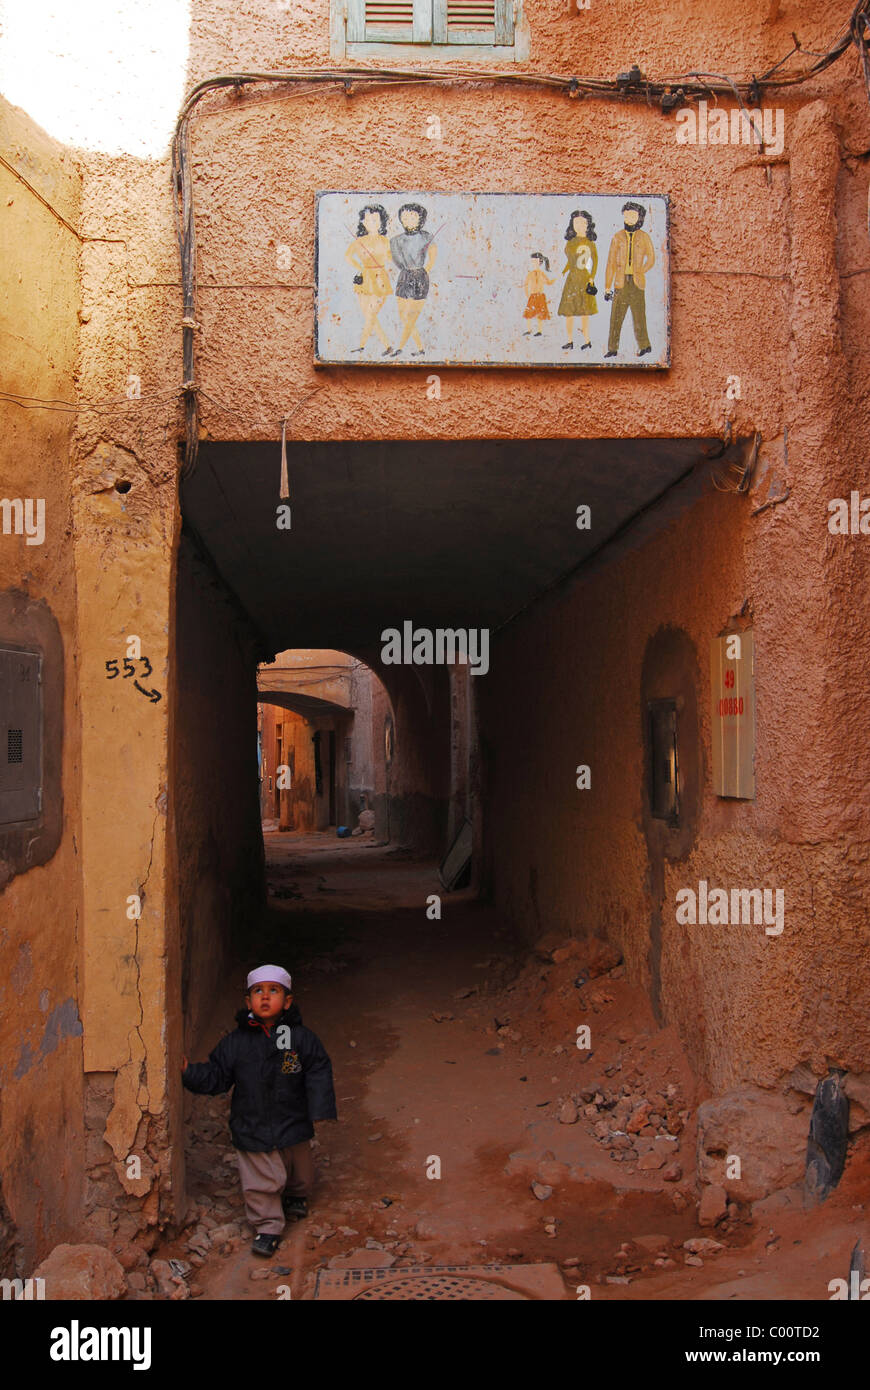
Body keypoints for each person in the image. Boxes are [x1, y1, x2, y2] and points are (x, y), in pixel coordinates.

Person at [181, 964, 336, 1257]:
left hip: (293, 1118)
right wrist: (189, 1072)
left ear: (287, 1001)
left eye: (273, 991)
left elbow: (317, 1069)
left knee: (299, 1169)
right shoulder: (236, 1043)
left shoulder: (299, 1038)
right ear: (248, 1001)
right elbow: (217, 1075)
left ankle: (296, 1196)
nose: (265, 997)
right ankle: (268, 1226)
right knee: (261, 1181)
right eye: (257, 991)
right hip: (252, 1122)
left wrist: (319, 1106)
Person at [603, 201, 655, 358]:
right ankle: (612, 348)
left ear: (639, 217)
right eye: (627, 214)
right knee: (616, 317)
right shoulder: (617, 237)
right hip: (620, 282)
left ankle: (645, 346)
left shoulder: (644, 237)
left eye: (633, 215)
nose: (629, 217)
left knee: (639, 315)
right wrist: (607, 286)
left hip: (637, 282)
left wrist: (642, 270)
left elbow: (651, 258)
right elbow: (610, 262)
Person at [389, 202, 437, 356]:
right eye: (405, 217)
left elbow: (432, 256)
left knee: (412, 316)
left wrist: (423, 272)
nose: (408, 219)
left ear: (420, 218)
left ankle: (401, 348)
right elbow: (396, 259)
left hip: (420, 277)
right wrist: (408, 270)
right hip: (404, 276)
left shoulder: (426, 236)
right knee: (403, 315)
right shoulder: (396, 240)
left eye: (413, 216)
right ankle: (419, 348)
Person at [345, 204, 393, 355]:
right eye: (369, 220)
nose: (373, 223)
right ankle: (376, 346)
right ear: (363, 222)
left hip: (380, 279)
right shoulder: (359, 241)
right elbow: (348, 256)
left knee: (371, 315)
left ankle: (371, 345)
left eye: (376, 220)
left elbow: (392, 258)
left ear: (381, 222)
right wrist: (359, 266)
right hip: (365, 279)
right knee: (368, 315)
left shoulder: (385, 241)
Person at [557, 210, 598, 351]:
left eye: (583, 222)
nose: (579, 225)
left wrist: (592, 277)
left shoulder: (590, 243)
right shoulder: (570, 243)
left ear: (588, 225)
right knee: (569, 311)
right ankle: (570, 341)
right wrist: (563, 271)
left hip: (584, 278)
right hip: (572, 279)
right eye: (576, 222)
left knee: (584, 311)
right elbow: (571, 261)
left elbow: (595, 261)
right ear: (572, 225)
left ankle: (587, 340)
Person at [522, 252, 555, 336]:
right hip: (532, 295)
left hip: (540, 296)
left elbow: (548, 282)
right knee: (529, 314)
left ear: (540, 262)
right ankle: (529, 329)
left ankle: (539, 331)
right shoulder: (530, 274)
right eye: (532, 262)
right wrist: (527, 293)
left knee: (540, 314)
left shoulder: (541, 273)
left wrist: (555, 279)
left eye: (535, 262)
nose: (533, 264)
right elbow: (526, 284)